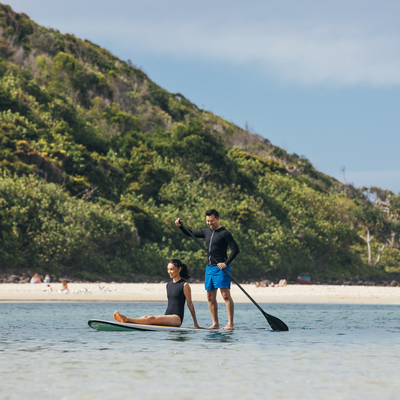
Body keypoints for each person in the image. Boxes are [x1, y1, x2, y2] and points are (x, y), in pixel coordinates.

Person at [175, 209, 240, 330]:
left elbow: (235, 249)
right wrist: (180, 226)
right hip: (209, 269)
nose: (210, 223)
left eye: (212, 220)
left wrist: (226, 263)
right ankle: (215, 324)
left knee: (225, 295)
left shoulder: (225, 233)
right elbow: (190, 233)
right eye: (207, 221)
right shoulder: (206, 232)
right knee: (210, 297)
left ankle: (230, 324)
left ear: (218, 219)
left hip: (221, 268)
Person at [114, 259, 201, 328]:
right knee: (145, 317)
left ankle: (127, 319)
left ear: (179, 269)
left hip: (176, 318)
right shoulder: (168, 285)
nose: (169, 272)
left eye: (171, 269)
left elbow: (190, 304)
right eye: (168, 269)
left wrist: (196, 323)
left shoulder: (184, 285)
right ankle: (128, 322)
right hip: (167, 316)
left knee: (151, 318)